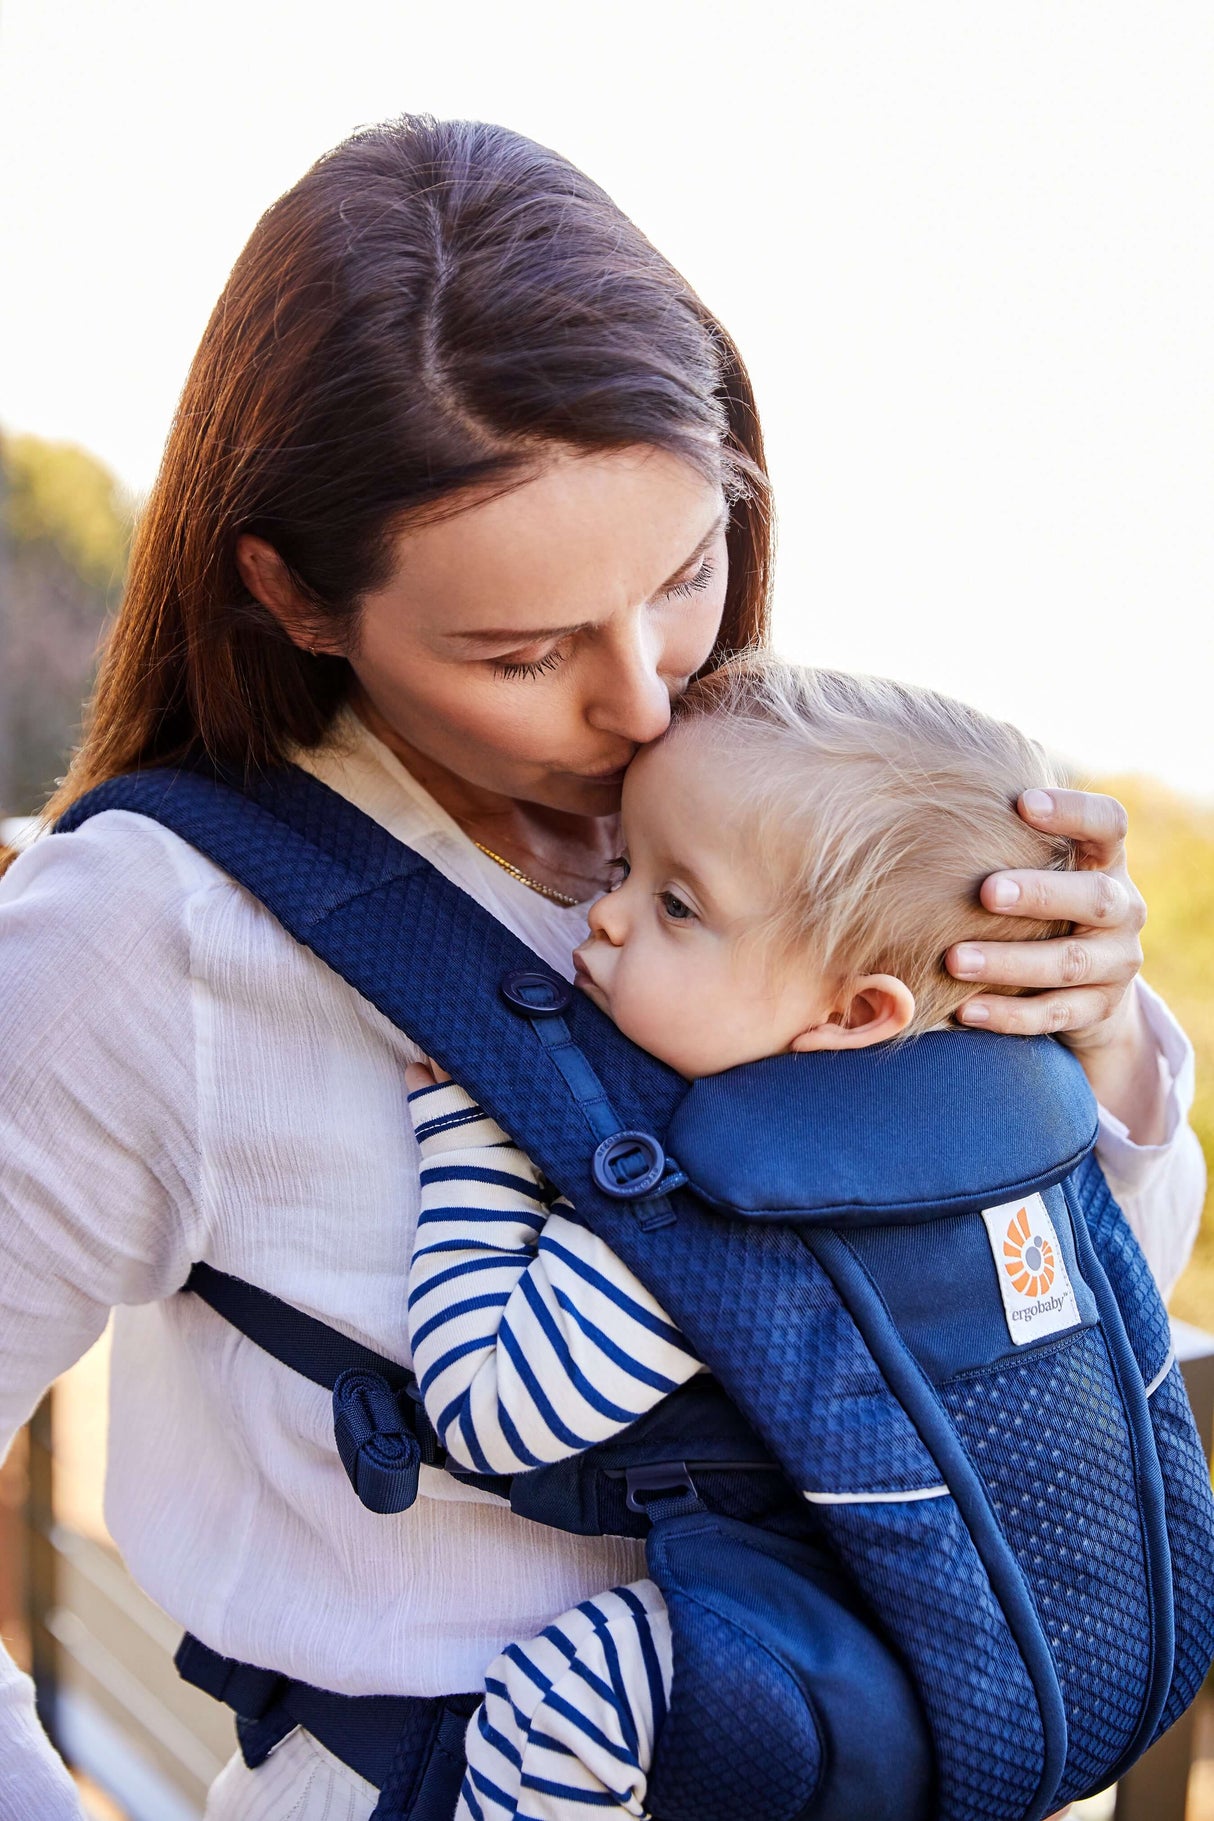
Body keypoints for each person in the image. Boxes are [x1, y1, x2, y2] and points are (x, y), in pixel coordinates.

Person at [0, 117, 1202, 1821]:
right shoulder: (145, 936)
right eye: (522, 650)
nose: (641, 701)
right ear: (293, 595)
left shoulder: (795, 818)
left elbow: (1057, 1326)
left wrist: (1086, 1053)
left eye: (684, 574)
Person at [394, 658, 1156, 1820]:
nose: (603, 914)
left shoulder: (735, 1193)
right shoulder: (1010, 1117)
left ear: (853, 1011)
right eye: (620, 866)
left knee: (570, 1692)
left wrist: (470, 1140)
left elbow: (494, 1411)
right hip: (988, 1668)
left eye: (675, 905)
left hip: (836, 1681)